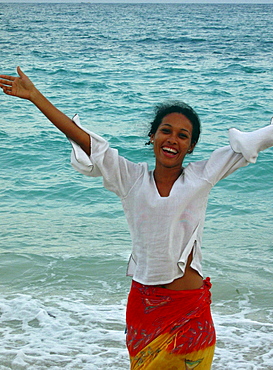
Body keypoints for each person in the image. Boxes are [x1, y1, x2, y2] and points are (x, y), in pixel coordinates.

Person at [1, 67, 273, 370]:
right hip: (144, 311)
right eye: (166, 131)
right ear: (152, 136)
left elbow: (256, 141)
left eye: (183, 135)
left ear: (192, 145)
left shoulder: (203, 175)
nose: (173, 139)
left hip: (190, 312)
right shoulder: (130, 178)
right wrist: (35, 97)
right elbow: (88, 142)